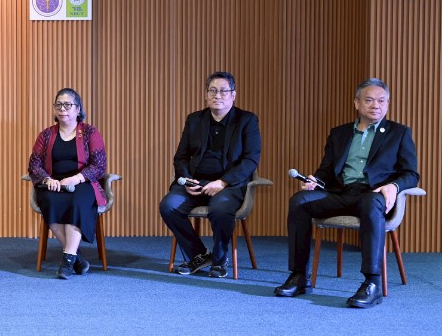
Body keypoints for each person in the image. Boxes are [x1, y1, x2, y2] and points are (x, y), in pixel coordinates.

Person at [275, 78, 419, 308]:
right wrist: (316, 181)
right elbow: (326, 171)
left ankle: (372, 283)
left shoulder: (399, 133)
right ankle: (299, 276)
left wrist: (394, 186)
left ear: (388, 104)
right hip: (340, 193)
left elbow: (411, 174)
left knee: (372, 204)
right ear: (357, 103)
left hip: (372, 194)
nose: (376, 105)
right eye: (369, 100)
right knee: (299, 201)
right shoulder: (339, 133)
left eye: (381, 101)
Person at [159, 71, 261, 278]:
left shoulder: (246, 120)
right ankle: (199, 255)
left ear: (233, 94)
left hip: (228, 185)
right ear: (206, 94)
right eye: (212, 91)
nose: (217, 95)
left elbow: (251, 160)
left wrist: (222, 182)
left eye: (223, 91)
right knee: (168, 206)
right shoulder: (195, 119)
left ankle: (219, 260)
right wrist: (186, 180)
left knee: (221, 209)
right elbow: (181, 157)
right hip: (196, 183)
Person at [28, 88, 108, 279]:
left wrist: (76, 178)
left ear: (78, 109)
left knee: (77, 201)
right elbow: (34, 164)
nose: (62, 109)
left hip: (83, 183)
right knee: (49, 201)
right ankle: (75, 258)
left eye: (67, 105)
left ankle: (67, 260)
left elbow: (99, 165)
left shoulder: (90, 132)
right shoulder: (46, 135)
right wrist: (47, 179)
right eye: (58, 105)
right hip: (54, 183)